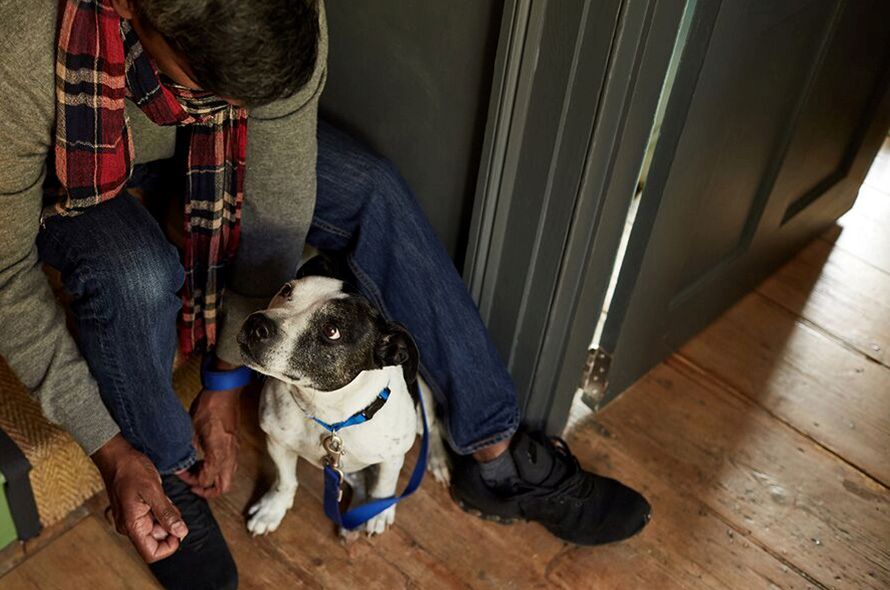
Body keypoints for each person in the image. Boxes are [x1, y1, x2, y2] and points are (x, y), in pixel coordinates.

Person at [0, 0, 650, 587]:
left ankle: (495, 453)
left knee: (370, 186)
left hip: (196, 138)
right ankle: (164, 474)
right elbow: (7, 283)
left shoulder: (280, 23)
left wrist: (226, 379)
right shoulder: (20, 53)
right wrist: (112, 454)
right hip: (73, 153)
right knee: (133, 273)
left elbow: (275, 217)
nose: (239, 107)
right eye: (213, 90)